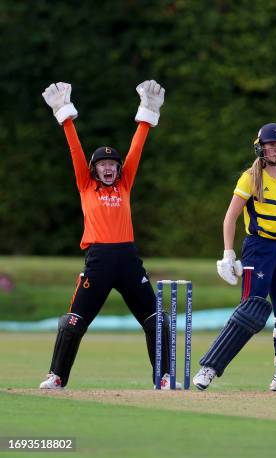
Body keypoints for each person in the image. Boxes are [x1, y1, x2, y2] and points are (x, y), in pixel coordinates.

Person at [38, 80, 176, 390]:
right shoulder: (86, 186)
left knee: (157, 320)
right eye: (103, 164)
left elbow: (137, 150)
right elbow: (74, 149)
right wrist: (65, 115)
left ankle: (164, 377)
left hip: (128, 260)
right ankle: (57, 376)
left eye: (113, 164)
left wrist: (148, 113)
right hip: (98, 261)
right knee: (72, 322)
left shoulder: (125, 184)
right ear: (94, 169)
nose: (109, 168)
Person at [192, 123, 276, 392]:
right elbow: (231, 216)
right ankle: (209, 368)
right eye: (271, 145)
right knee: (251, 312)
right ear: (261, 147)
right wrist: (227, 253)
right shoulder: (250, 177)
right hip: (257, 248)